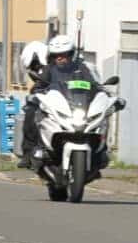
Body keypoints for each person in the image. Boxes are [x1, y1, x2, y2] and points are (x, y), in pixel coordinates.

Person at [18, 35, 100, 168]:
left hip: (79, 105)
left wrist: (102, 92)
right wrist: (37, 92)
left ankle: (100, 151)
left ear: (71, 54)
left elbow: (93, 84)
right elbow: (39, 85)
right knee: (31, 112)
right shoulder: (49, 69)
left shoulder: (81, 68)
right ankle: (29, 153)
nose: (60, 58)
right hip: (58, 105)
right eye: (56, 55)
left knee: (102, 116)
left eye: (64, 55)